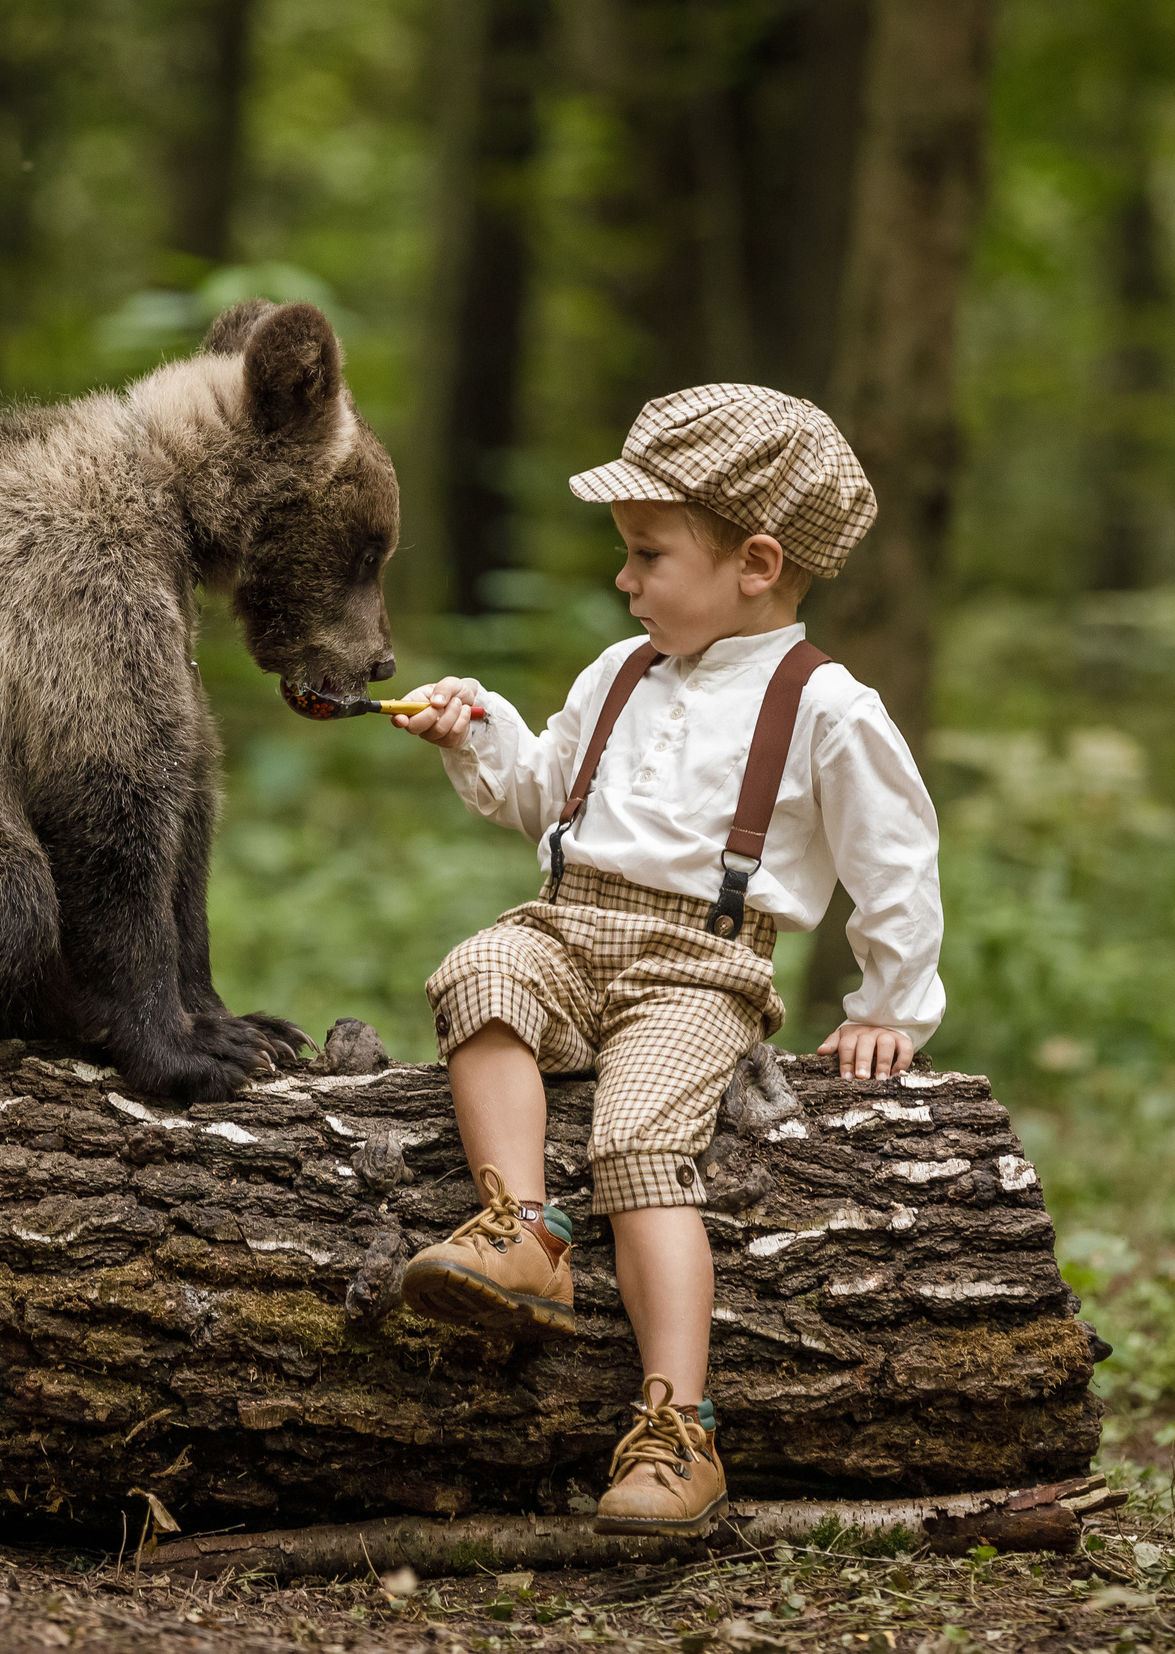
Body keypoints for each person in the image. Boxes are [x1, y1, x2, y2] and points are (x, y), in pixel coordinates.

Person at [390, 384, 945, 1536]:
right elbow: (545, 789)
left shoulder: (825, 706)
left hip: (700, 966)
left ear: (755, 560)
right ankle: (522, 1231)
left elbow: (894, 856)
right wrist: (478, 725)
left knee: (641, 1139)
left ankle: (675, 1429)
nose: (624, 580)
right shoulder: (621, 672)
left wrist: (891, 999)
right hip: (567, 922)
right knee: (480, 973)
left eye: (646, 554)